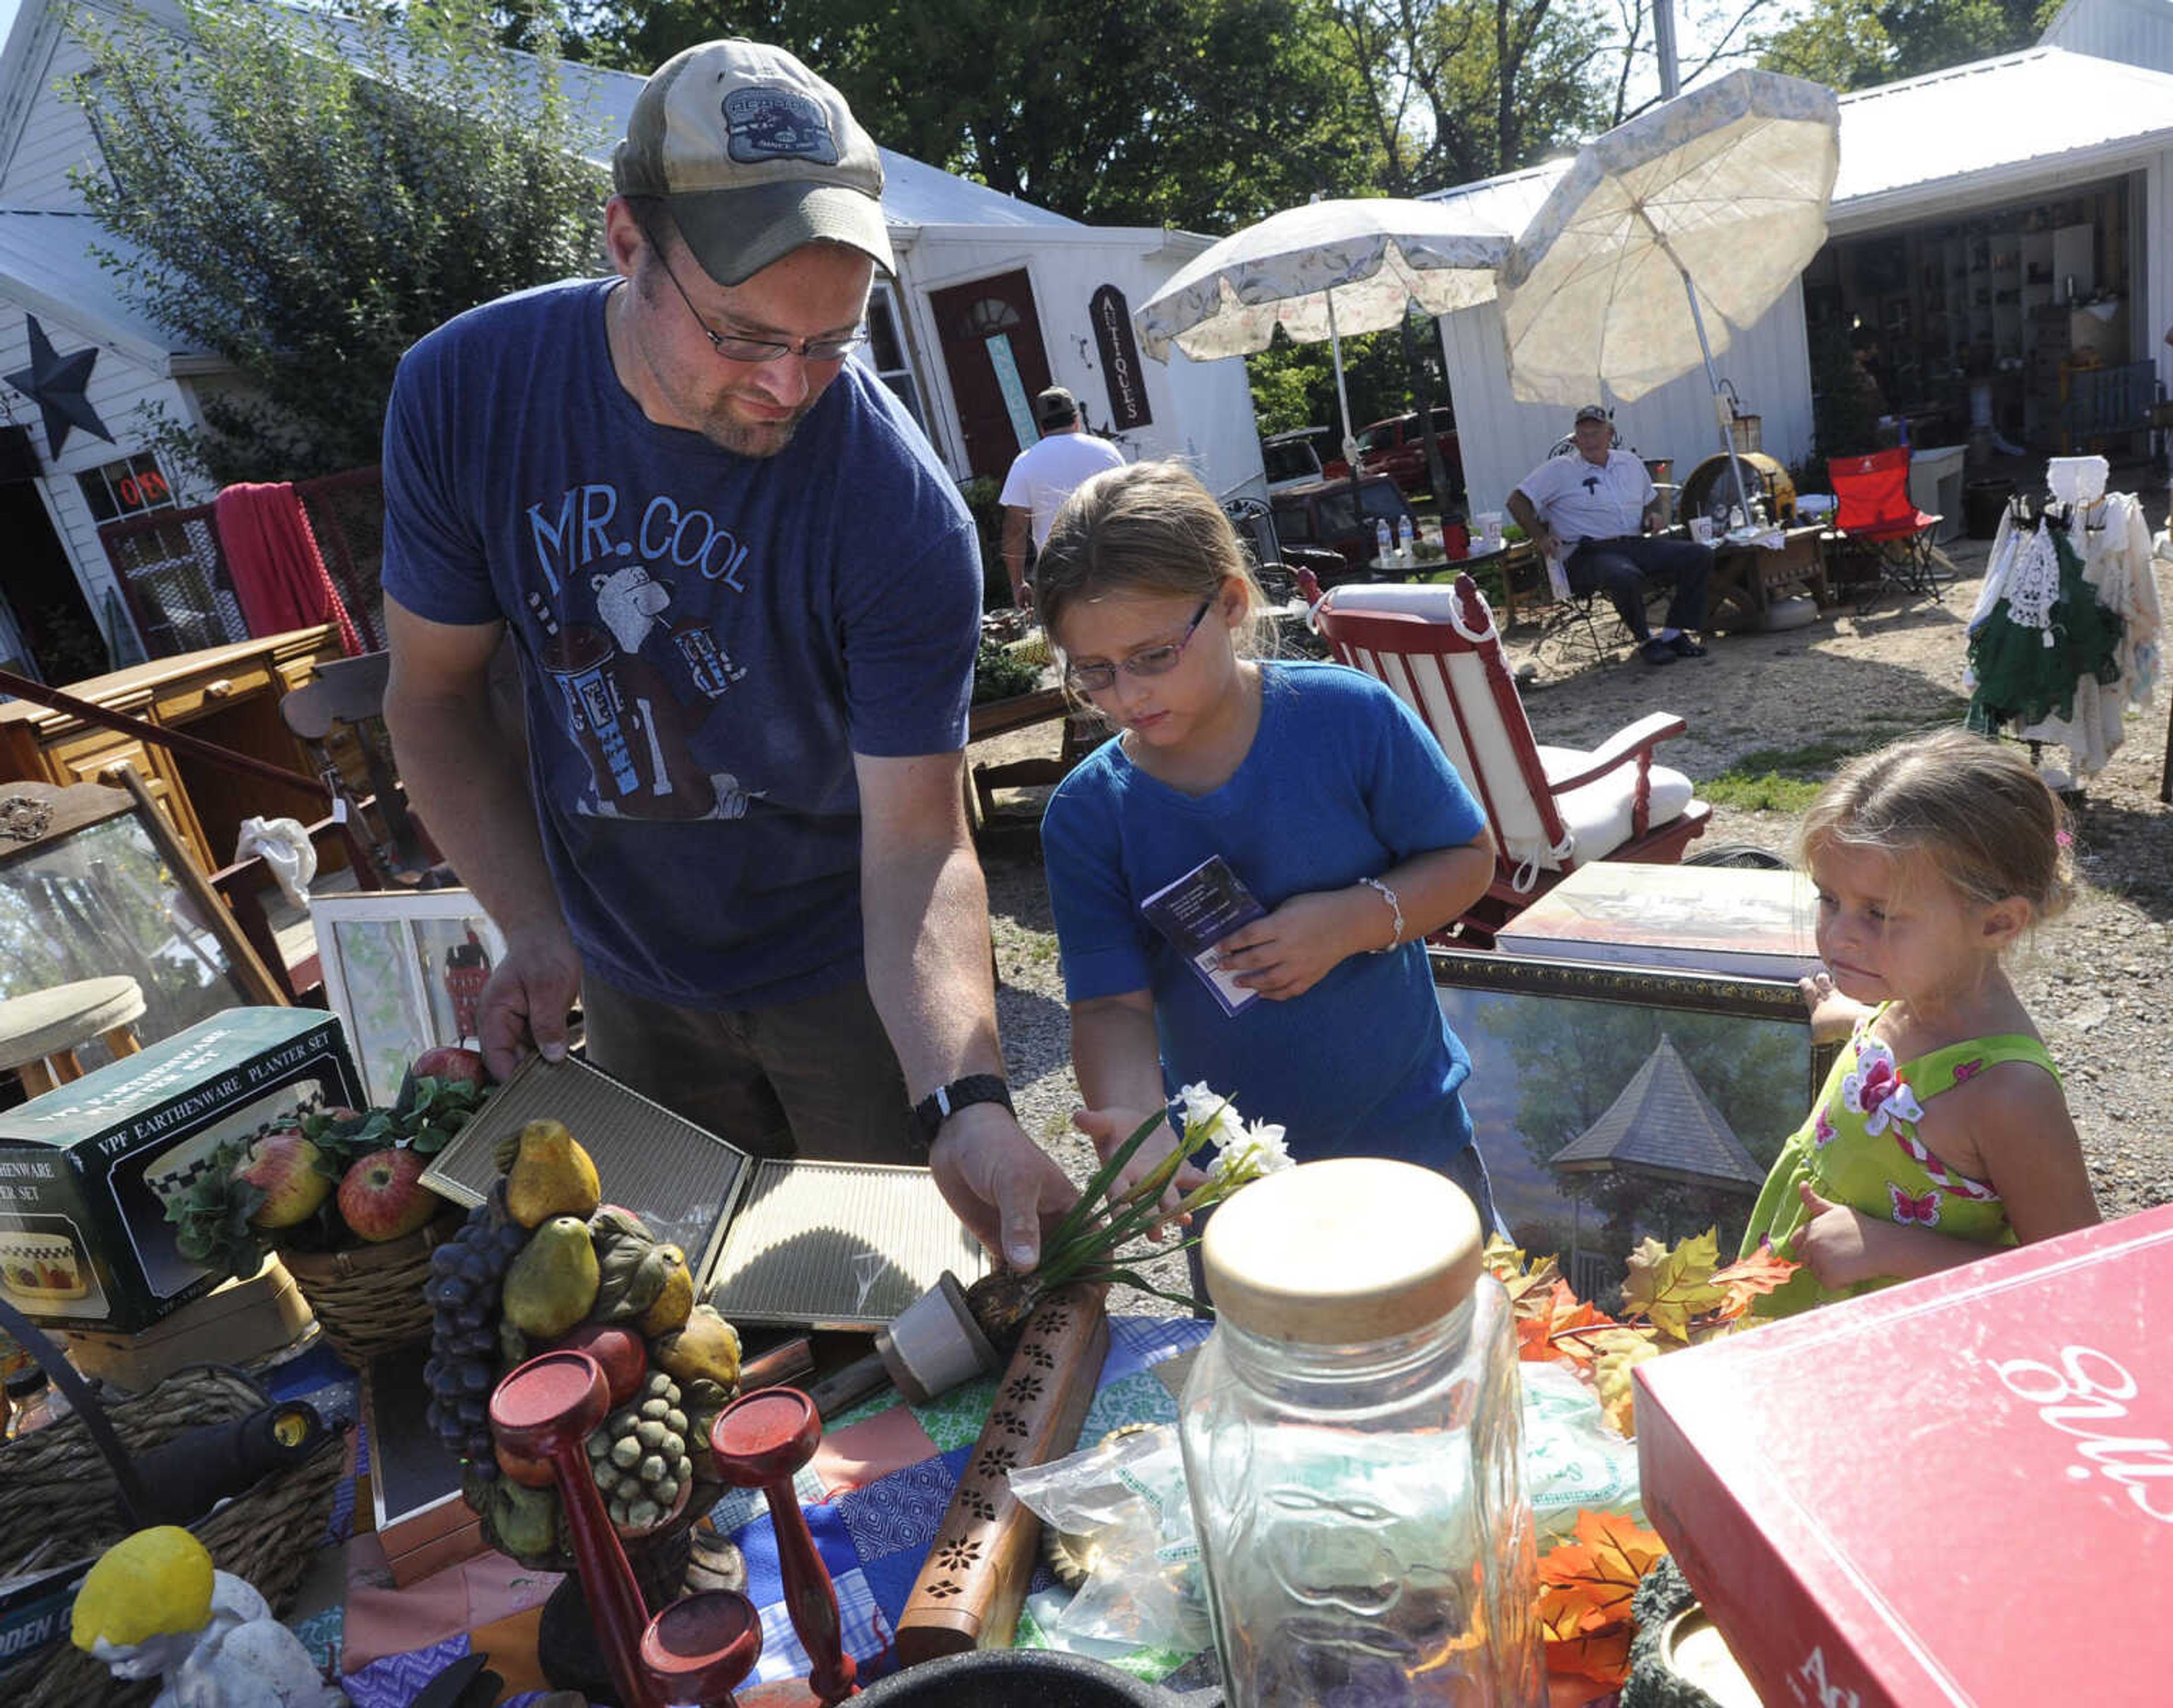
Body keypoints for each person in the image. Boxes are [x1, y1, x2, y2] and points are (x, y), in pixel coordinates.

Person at [377, 38, 1073, 1271]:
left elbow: (919, 846)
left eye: (832, 342)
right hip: (628, 964)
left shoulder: (894, 509)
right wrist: (533, 926)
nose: (787, 386)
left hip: (847, 971)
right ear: (626, 243)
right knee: (688, 1304)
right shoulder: (464, 395)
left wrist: (966, 1104)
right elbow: (431, 697)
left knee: (901, 1304)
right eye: (745, 335)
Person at [1034, 460, 1506, 1241]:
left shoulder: (1348, 718)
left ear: (1228, 603)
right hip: (1237, 1186)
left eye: (1154, 656)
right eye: (1094, 671)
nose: (1127, 695)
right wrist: (1138, 1121)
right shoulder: (1088, 814)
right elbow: (1111, 1005)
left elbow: (1466, 858)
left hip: (1412, 1142)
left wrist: (1354, 920)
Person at [1739, 729, 2099, 1316]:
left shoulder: (2007, 1095)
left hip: (1890, 1355)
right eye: (1829, 899)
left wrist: (1894, 1248)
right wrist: (1853, 1020)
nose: (1839, 935)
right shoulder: (1908, 995)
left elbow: (2074, 1278)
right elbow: (1897, 1069)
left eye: (1879, 914)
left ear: (1997, 924)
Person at [1505, 404, 1714, 667]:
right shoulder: (1560, 469)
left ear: (1610, 434)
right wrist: (1540, 537)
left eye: (1596, 433)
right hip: (1587, 553)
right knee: (1622, 574)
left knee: (1700, 555)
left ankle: (1673, 634)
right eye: (1583, 435)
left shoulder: (1629, 462)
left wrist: (1653, 515)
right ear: (1575, 439)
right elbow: (1517, 501)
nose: (1589, 440)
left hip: (1634, 543)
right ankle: (1646, 641)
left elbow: (1650, 500)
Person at [998, 387, 1125, 607]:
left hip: (1057, 573)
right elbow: (1128, 507)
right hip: (1109, 563)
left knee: (1069, 640)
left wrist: (1017, 583)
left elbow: (1014, 530)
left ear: (1042, 428)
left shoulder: (1024, 463)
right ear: (1076, 421)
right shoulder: (1107, 451)